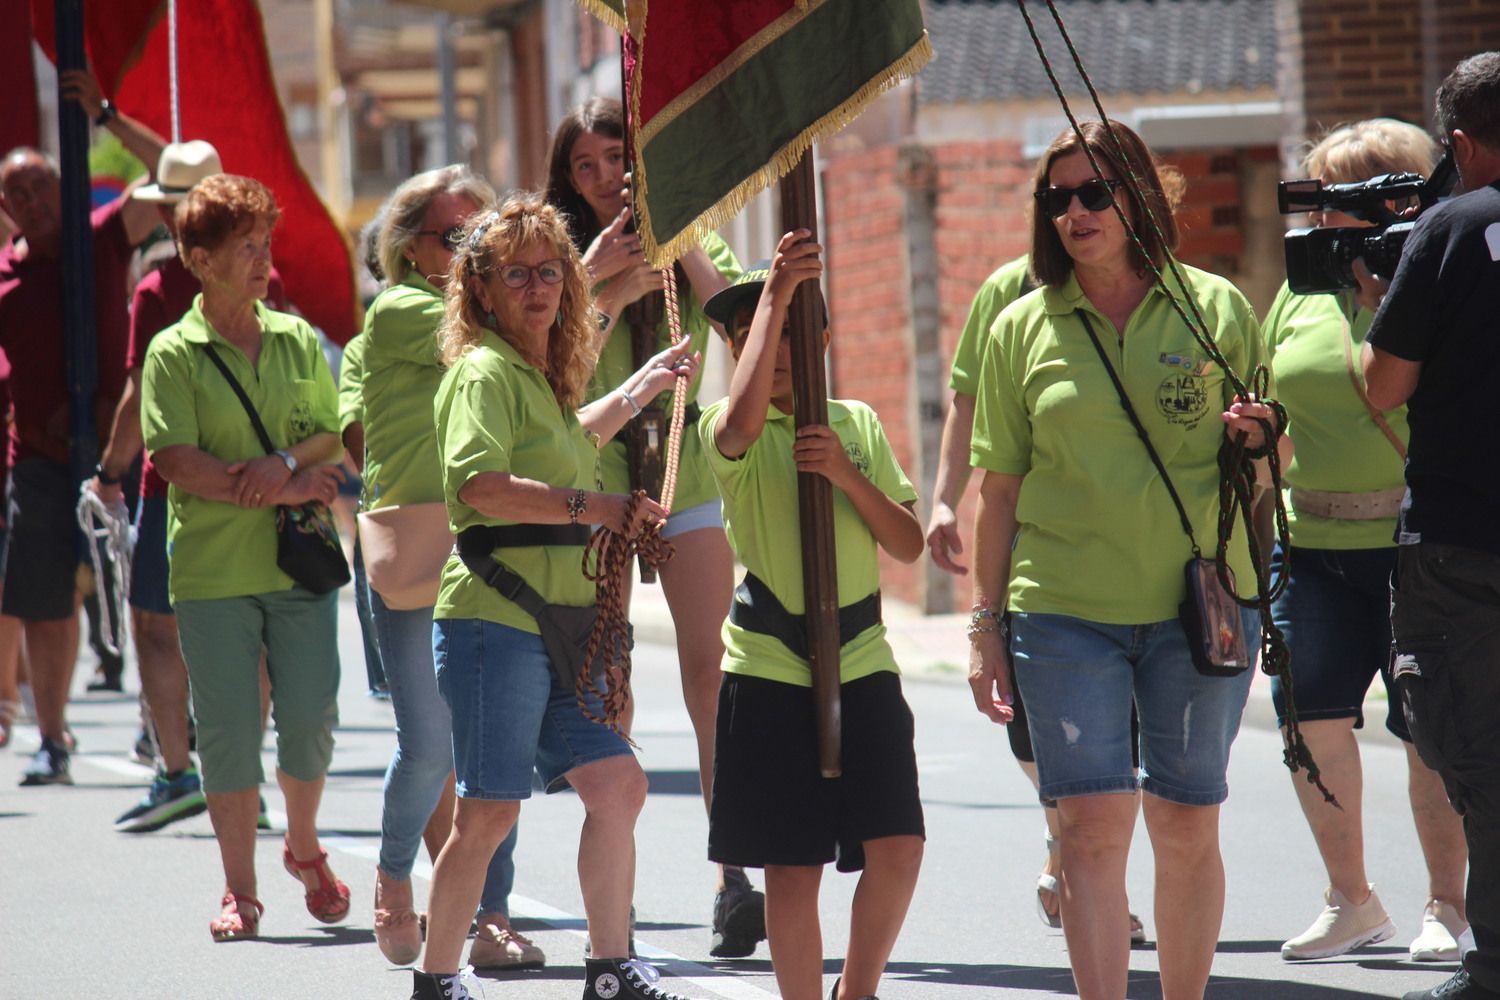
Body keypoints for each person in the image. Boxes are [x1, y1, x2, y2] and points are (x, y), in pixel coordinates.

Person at [968, 120, 1276, 1000]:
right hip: (1063, 612)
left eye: (1094, 192)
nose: (1074, 211)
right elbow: (998, 494)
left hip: (1201, 611)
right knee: (1090, 831)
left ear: (1140, 195)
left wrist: (1261, 440)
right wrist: (984, 628)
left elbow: (1265, 471)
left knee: (1185, 823)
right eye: (1057, 198)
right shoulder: (1020, 326)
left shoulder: (1215, 309)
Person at [412, 193, 704, 1000]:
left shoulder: (540, 378)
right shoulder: (482, 372)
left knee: (618, 784)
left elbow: (576, 441)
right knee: (487, 817)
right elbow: (482, 484)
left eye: (550, 272)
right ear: (482, 292)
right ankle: (437, 982)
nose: (538, 288)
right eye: (518, 275)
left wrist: (647, 382)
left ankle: (610, 969)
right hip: (492, 622)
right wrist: (596, 508)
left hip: (557, 627)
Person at [543, 97, 763, 958]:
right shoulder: (551, 263)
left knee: (712, 675)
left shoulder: (689, 236)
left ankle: (732, 876)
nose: (603, 180)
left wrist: (687, 237)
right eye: (584, 167)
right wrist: (594, 286)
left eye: (617, 163)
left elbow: (745, 338)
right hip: (593, 485)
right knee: (609, 685)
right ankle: (617, 902)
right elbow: (543, 386)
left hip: (685, 473)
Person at [1261, 119, 1471, 965]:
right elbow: (1276, 387)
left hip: (1412, 541)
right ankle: (1352, 900)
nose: (1330, 223)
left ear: (1404, 197)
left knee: (1425, 731)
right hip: (1310, 540)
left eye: (1350, 201)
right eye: (1321, 201)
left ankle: (1447, 906)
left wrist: (1387, 299)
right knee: (1307, 721)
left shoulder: (1437, 276)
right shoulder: (1300, 288)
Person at [698, 239, 926, 1000]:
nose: (781, 349)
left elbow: (906, 540)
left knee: (897, 847)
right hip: (768, 668)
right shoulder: (726, 428)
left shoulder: (854, 423)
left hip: (860, 656)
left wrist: (844, 471)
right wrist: (772, 295)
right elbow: (737, 420)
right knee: (791, 868)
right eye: (759, 336)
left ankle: (856, 990)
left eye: (800, 331)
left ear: (825, 342)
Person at [140, 173, 350, 941]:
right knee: (227, 731)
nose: (264, 261)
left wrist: (286, 465)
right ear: (198, 258)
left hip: (298, 569)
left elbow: (329, 435)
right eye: (246, 248)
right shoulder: (172, 352)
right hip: (212, 573)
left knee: (310, 718)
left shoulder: (296, 339)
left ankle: (302, 845)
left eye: (266, 244)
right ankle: (241, 891)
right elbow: (175, 461)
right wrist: (285, 486)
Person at [928, 251, 1148, 943]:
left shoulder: (1159, 286)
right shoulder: (1008, 290)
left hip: (1139, 560)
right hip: (1035, 551)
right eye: (1061, 197)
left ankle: (1084, 867)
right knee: (1036, 732)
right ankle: (1070, 839)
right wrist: (942, 500)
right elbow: (968, 398)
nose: (1078, 213)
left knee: (1122, 745)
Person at [359, 166, 540, 972]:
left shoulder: (497, 315)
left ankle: (490, 915)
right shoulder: (401, 309)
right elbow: (482, 336)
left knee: (491, 754)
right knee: (430, 747)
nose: (471, 251)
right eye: (454, 237)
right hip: (417, 550)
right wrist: (585, 271)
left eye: (481, 235)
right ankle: (396, 876)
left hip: (489, 547)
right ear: (409, 249)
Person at [88, 140, 285, 833]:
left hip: (175, 486)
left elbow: (140, 398)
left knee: (160, 630)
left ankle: (181, 771)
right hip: (252, 481)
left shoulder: (154, 288)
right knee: (242, 634)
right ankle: (234, 776)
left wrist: (110, 472)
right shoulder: (265, 278)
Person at [1359, 51, 1500, 1000]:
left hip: (1462, 545)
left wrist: (1374, 308)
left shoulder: (1450, 227)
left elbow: (1384, 387)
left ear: (1459, 142)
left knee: (1479, 760)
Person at [0, 69, 166, 785]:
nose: (32, 203)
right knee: (40, 601)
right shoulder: (5, 276)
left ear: (62, 188)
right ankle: (54, 738)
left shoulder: (101, 238)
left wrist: (104, 115)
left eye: (41, 187)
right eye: (17, 194)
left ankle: (162, 729)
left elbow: (178, 175)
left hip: (119, 454)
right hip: (36, 462)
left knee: (148, 595)